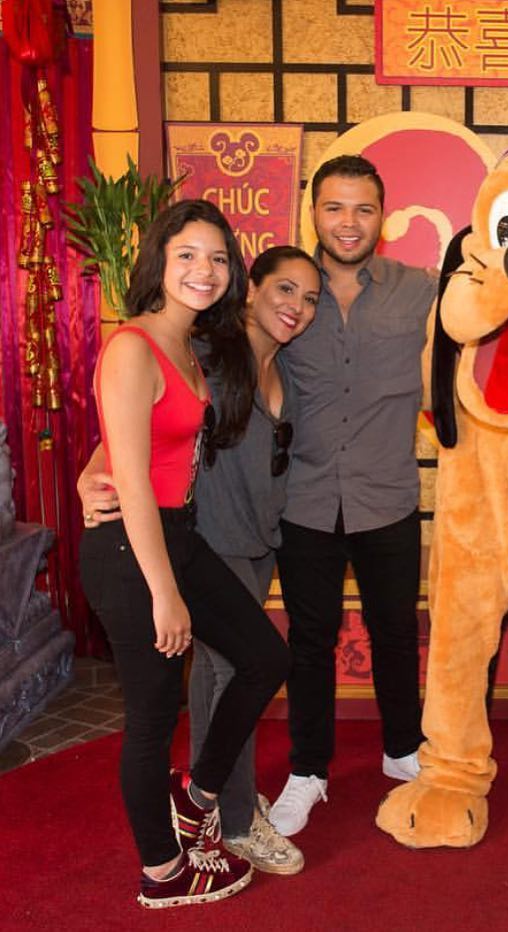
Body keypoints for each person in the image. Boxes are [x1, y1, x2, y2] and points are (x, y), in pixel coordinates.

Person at [79, 245, 320, 875]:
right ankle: (231, 820)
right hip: (202, 536)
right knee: (209, 686)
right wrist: (91, 474)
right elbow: (131, 430)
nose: (296, 306)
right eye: (284, 290)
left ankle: (207, 798)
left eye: (310, 297)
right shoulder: (208, 351)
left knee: (253, 668)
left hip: (254, 540)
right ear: (252, 290)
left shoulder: (284, 369)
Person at [268, 154, 436, 836]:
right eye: (335, 207)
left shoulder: (418, 288)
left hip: (388, 494)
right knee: (309, 639)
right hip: (303, 497)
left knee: (396, 632)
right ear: (313, 212)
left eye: (363, 209)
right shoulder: (279, 290)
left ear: (383, 219)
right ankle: (307, 770)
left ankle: (403, 751)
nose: (348, 222)